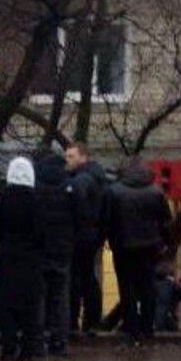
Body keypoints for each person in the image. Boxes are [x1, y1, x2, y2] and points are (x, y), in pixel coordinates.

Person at [102, 160, 171, 345]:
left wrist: (110, 239)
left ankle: (131, 329)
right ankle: (147, 329)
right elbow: (165, 222)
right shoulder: (156, 192)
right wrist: (164, 243)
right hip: (150, 247)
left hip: (123, 247)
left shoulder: (114, 191)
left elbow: (107, 220)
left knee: (126, 288)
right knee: (148, 287)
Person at [0, 157, 44, 361]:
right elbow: (42, 232)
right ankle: (28, 349)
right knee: (29, 305)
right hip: (30, 258)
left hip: (6, 256)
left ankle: (8, 347)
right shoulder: (37, 199)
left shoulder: (1, 199)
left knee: (6, 305)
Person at [33, 153, 76, 356]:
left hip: (40, 250)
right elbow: (81, 216)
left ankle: (38, 341)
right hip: (63, 249)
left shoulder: (36, 190)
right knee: (60, 297)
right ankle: (59, 342)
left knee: (39, 296)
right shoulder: (69, 188)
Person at [66, 144, 108, 338]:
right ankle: (92, 321)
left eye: (71, 156)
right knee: (89, 276)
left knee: (77, 278)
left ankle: (75, 321)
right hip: (93, 235)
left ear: (83, 157)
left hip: (80, 236)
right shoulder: (99, 178)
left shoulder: (81, 180)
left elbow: (78, 209)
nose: (68, 160)